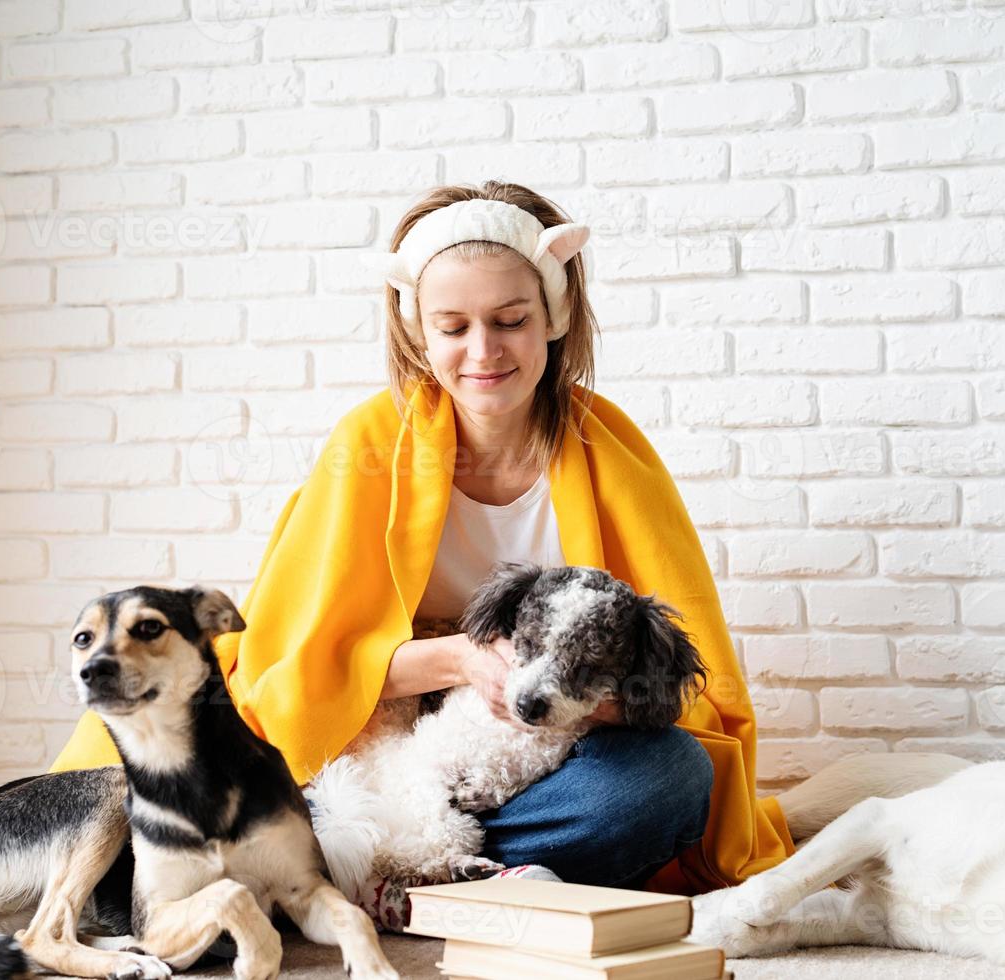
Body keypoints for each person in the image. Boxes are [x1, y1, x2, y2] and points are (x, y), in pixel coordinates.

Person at [48, 181, 794, 929]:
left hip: (529, 760)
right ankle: (421, 875)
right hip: (363, 758)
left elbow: (668, 679)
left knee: (670, 776)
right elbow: (298, 670)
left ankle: (377, 879)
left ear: (555, 319)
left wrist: (571, 697)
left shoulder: (614, 452)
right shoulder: (368, 446)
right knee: (265, 788)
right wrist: (464, 663)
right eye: (453, 326)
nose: (483, 351)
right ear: (418, 331)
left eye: (511, 320)